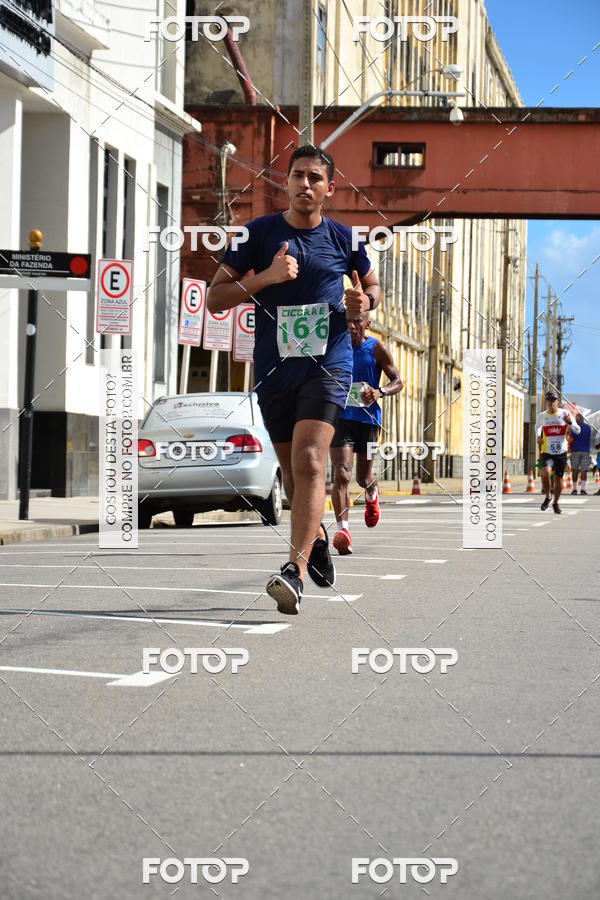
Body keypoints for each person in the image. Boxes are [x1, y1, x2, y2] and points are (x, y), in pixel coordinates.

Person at [206, 146, 381, 615]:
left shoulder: (345, 239)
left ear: (330, 188)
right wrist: (263, 277)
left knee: (309, 461)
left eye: (315, 178)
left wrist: (363, 304)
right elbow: (214, 298)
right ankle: (317, 534)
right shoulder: (258, 234)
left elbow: (373, 286)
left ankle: (294, 572)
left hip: (330, 364)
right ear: (286, 182)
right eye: (298, 176)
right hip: (274, 369)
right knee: (293, 471)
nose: (306, 184)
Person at [329, 312, 402, 554]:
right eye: (348, 321)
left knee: (362, 477)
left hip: (369, 421)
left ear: (367, 324)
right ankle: (343, 531)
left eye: (357, 321)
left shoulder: (376, 348)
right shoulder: (334, 346)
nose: (351, 326)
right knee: (341, 474)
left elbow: (398, 381)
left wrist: (379, 391)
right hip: (341, 419)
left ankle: (372, 491)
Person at [536, 390, 580, 514]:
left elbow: (578, 430)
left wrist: (570, 422)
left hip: (561, 451)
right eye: (549, 400)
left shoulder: (565, 414)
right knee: (545, 473)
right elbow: (537, 427)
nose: (551, 403)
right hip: (547, 450)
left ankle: (555, 502)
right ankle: (548, 497)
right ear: (546, 402)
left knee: (558, 479)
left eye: (553, 400)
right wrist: (538, 436)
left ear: (557, 401)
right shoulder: (542, 416)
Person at [569, 412, 592, 495]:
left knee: (575, 469)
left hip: (575, 450)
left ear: (577, 419)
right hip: (585, 451)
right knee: (584, 470)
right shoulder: (588, 428)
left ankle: (574, 489)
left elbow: (571, 440)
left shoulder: (574, 428)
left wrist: (569, 446)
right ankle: (582, 489)